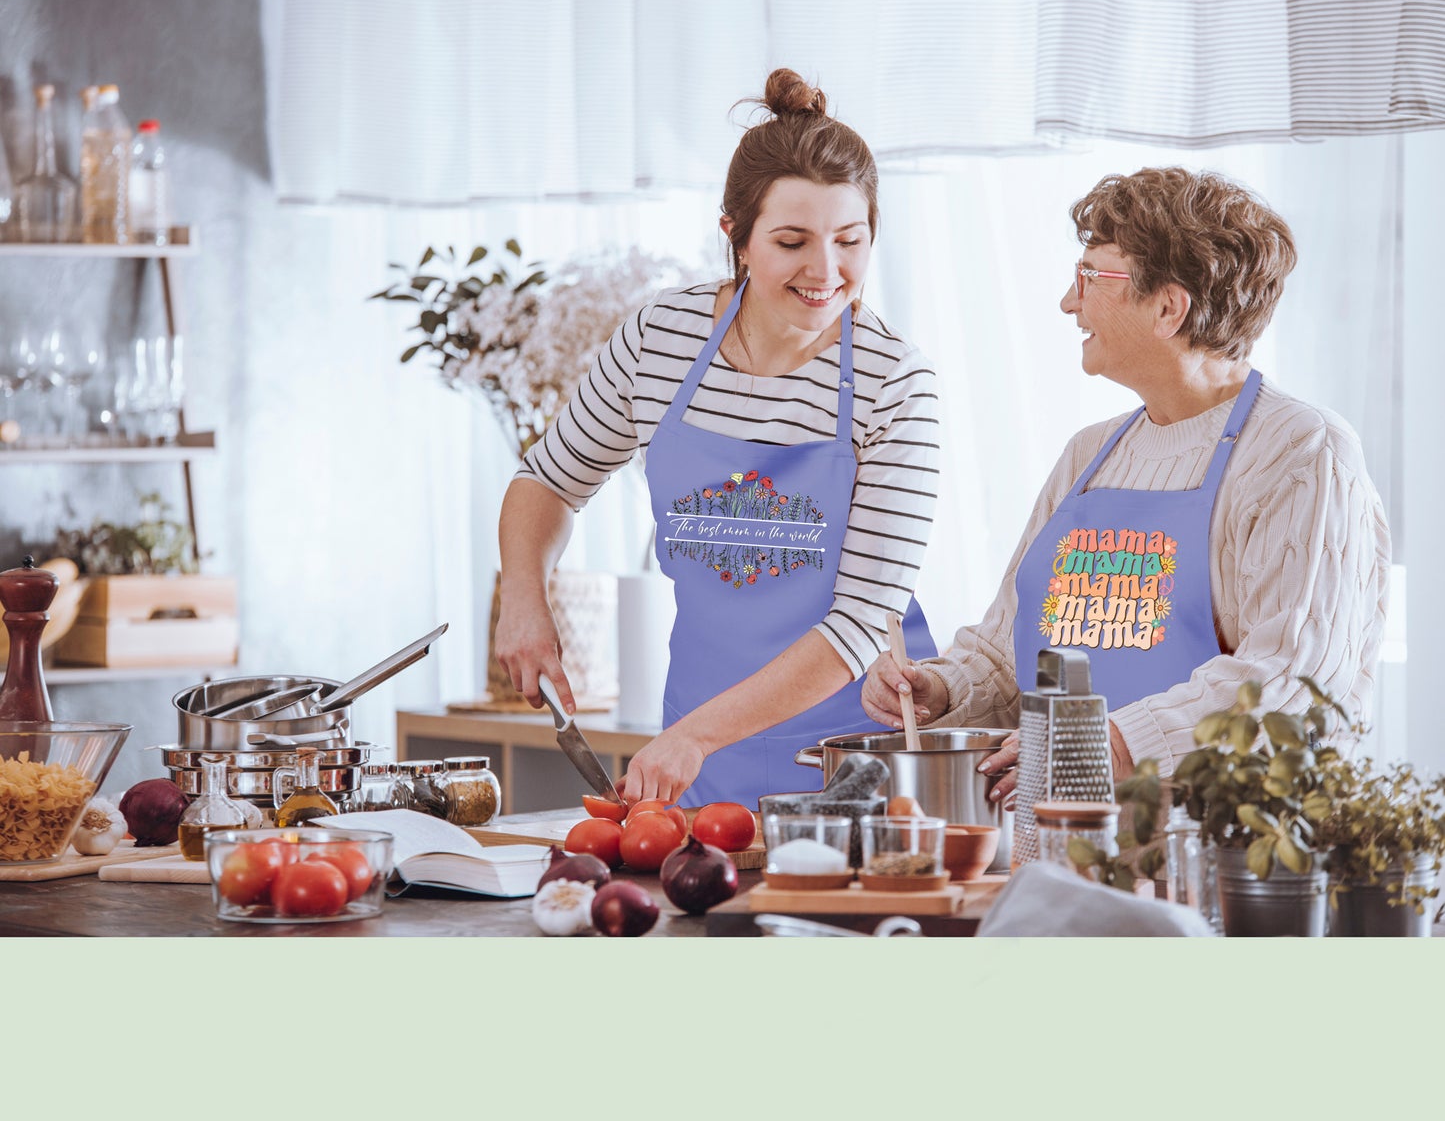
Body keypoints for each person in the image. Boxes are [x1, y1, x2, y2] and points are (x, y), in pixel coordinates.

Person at [862, 166, 1391, 803]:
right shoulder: (1090, 454)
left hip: (1208, 862)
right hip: (1058, 849)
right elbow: (1012, 650)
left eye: (1090, 276)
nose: (1068, 300)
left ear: (1169, 306)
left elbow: (1294, 681)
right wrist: (943, 686)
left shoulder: (1303, 451)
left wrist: (1109, 742)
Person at [496, 69, 940, 806]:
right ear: (733, 233)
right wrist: (523, 597)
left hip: (852, 764)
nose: (824, 272)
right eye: (792, 241)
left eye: (849, 240)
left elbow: (861, 619)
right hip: (696, 758)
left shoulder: (895, 382)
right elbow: (547, 479)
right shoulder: (659, 340)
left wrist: (697, 735)